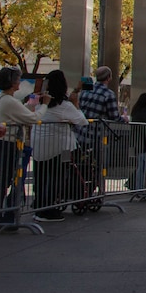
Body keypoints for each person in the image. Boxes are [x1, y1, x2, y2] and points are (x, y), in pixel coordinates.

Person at [29, 70, 89, 222]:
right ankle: (48, 209)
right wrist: (76, 105)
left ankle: (39, 205)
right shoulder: (65, 105)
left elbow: (29, 108)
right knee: (56, 176)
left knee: (41, 176)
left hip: (38, 143)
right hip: (59, 146)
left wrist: (35, 94)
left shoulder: (40, 101)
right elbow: (82, 120)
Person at [0, 67, 41, 231]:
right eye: (17, 79)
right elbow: (34, 118)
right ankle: (0, 216)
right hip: (9, 143)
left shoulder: (3, 98)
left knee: (3, 180)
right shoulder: (9, 101)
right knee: (7, 180)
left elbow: (18, 113)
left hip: (3, 142)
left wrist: (28, 105)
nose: (19, 82)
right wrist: (42, 106)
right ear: (12, 82)